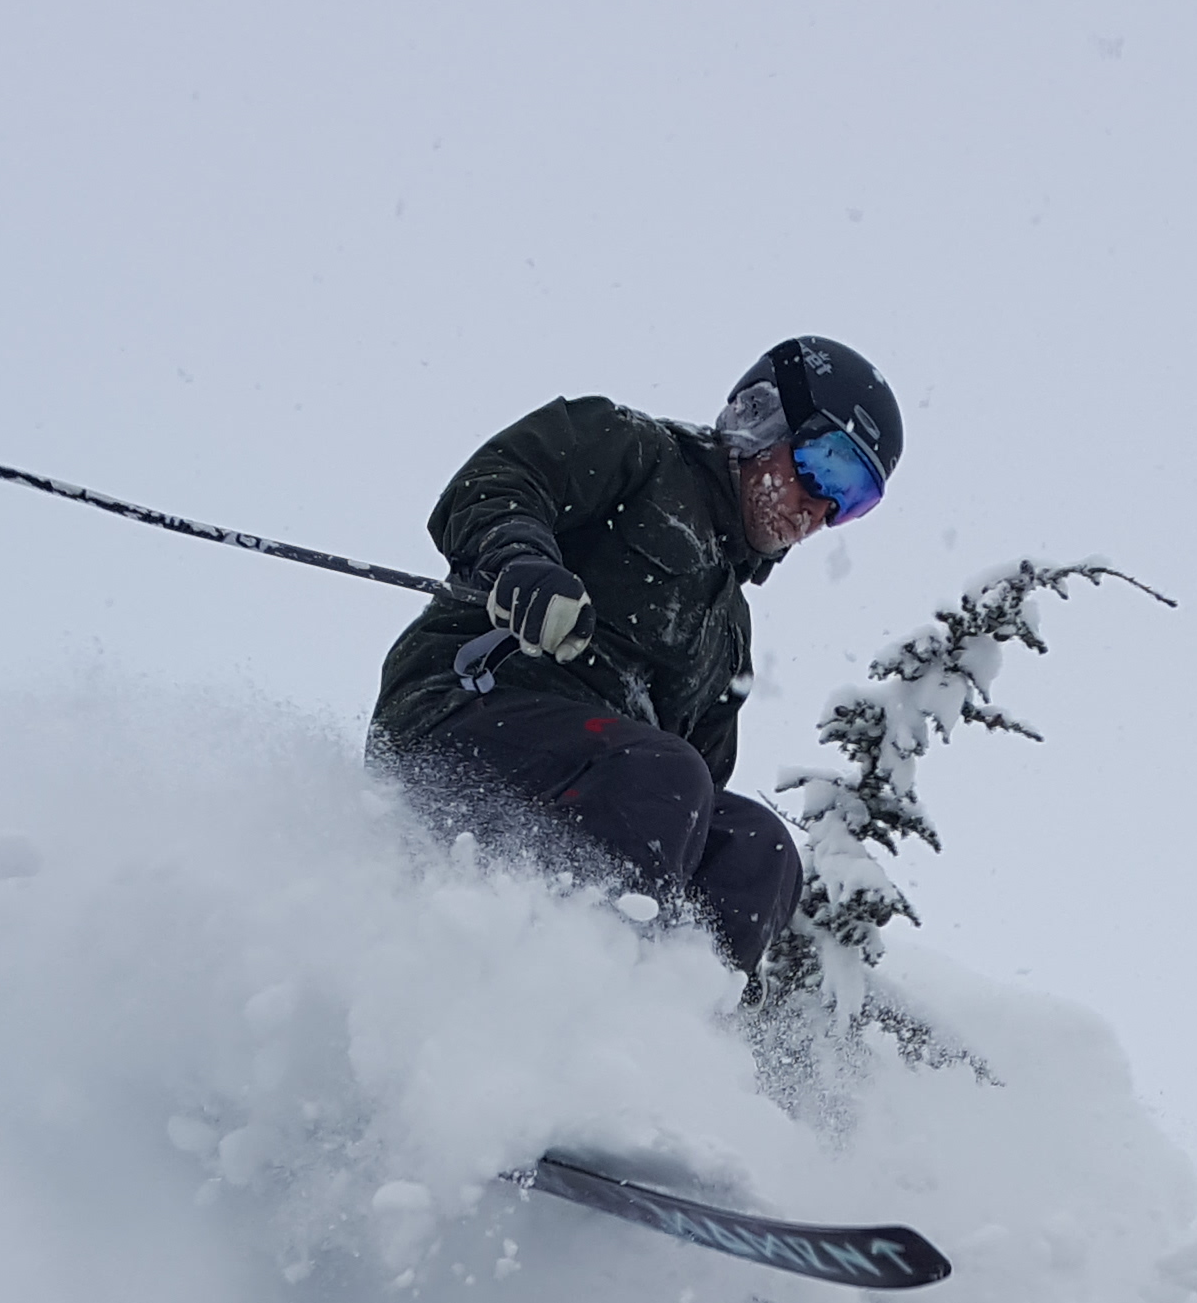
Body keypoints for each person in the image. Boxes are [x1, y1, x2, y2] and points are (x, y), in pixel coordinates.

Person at [369, 338, 900, 978]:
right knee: (663, 774)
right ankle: (575, 981)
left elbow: (696, 807)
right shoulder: (636, 452)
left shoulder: (729, 632)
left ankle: (679, 1031)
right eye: (827, 465)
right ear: (761, 416)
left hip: (593, 786)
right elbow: (503, 478)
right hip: (465, 709)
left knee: (756, 848)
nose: (821, 508)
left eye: (854, 499)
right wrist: (522, 563)